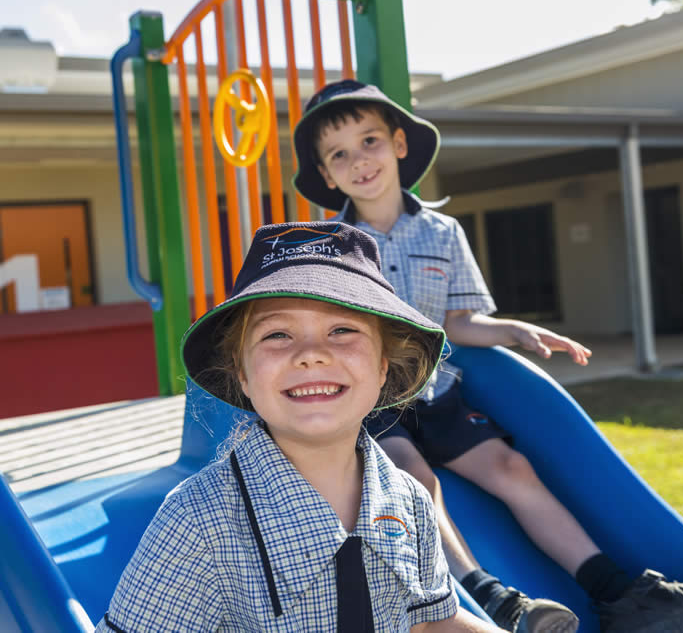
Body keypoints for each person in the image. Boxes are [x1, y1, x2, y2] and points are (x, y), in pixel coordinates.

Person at [290, 79, 683, 633]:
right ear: (327, 175)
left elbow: (458, 322)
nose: (358, 161)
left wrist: (515, 330)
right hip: (375, 404)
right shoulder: (328, 247)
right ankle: (492, 599)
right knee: (415, 478)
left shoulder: (442, 233)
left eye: (368, 141)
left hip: (437, 391)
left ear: (398, 144)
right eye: (338, 155)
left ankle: (619, 595)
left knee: (513, 469)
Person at [99, 221, 502, 632]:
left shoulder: (412, 500)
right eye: (278, 334)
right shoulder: (199, 519)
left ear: (383, 366)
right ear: (242, 373)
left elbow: (431, 623)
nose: (311, 354)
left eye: (342, 330)